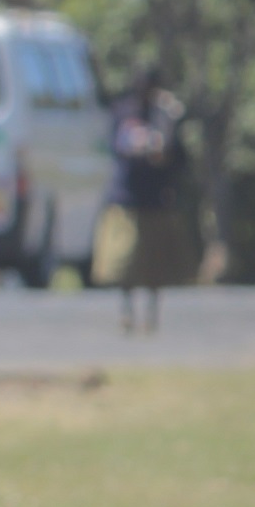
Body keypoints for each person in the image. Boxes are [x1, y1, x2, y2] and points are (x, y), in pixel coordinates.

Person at [91, 67, 196, 333]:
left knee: (156, 267)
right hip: (127, 200)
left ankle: (151, 315)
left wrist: (168, 141)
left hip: (157, 201)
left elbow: (180, 158)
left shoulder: (166, 116)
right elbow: (118, 148)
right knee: (125, 265)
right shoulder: (124, 113)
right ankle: (127, 313)